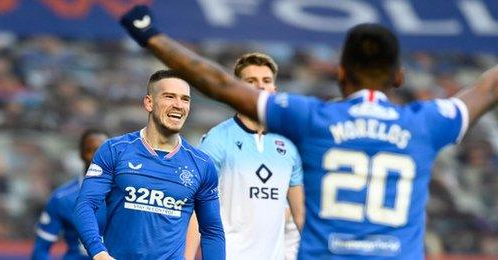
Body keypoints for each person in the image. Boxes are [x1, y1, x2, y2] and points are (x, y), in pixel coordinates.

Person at [119, 6, 498, 259]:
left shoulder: (312, 118)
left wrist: (149, 34)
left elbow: (219, 83)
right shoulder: (426, 123)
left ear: (341, 73)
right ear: (398, 77)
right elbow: (489, 88)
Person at [72, 69, 225, 260]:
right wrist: (99, 253)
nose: (179, 105)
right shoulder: (115, 150)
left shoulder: (201, 164)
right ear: (149, 103)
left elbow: (212, 231)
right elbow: (85, 205)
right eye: (169, 97)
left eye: (185, 99)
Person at [186, 52, 304, 260]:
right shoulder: (217, 139)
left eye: (266, 81)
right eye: (251, 81)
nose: (260, 86)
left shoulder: (290, 145)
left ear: (274, 89)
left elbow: (300, 215)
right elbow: (195, 210)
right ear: (237, 90)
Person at [32, 129, 109, 260]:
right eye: (92, 150)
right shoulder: (62, 198)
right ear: (81, 154)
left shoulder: (125, 193)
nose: (98, 156)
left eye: (103, 150)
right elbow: (41, 250)